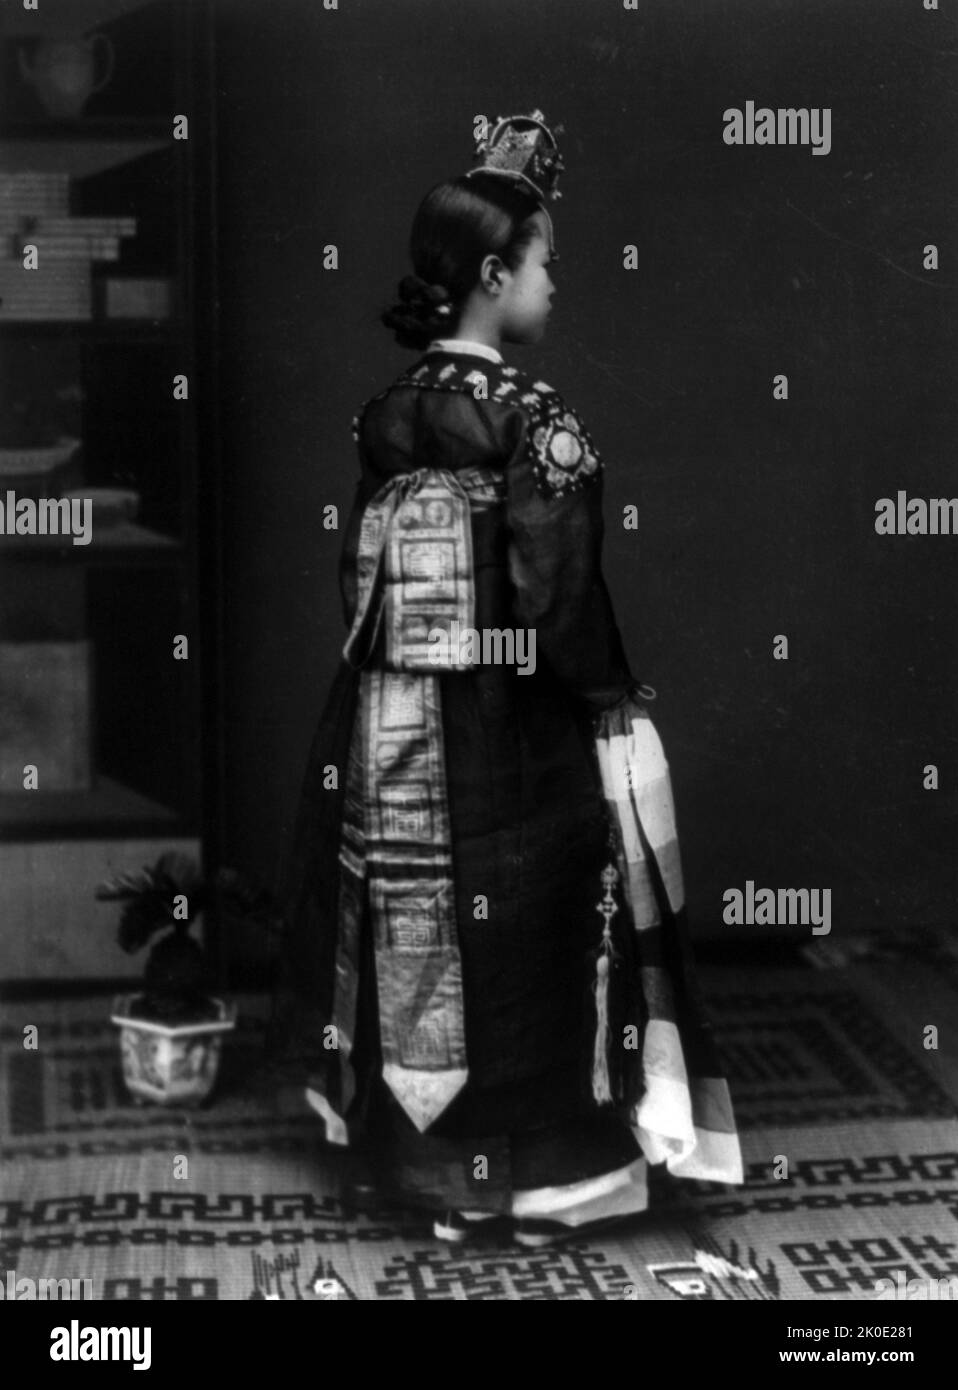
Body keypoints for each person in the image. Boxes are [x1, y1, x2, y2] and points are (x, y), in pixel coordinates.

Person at [267, 111, 743, 1249]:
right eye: (545, 265)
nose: (554, 287)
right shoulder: (537, 425)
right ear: (494, 274)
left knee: (407, 922)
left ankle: (432, 1181)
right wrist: (609, 702)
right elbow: (557, 599)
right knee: (530, 930)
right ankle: (543, 1192)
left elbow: (360, 586)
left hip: (387, 719)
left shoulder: (384, 417)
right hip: (507, 723)